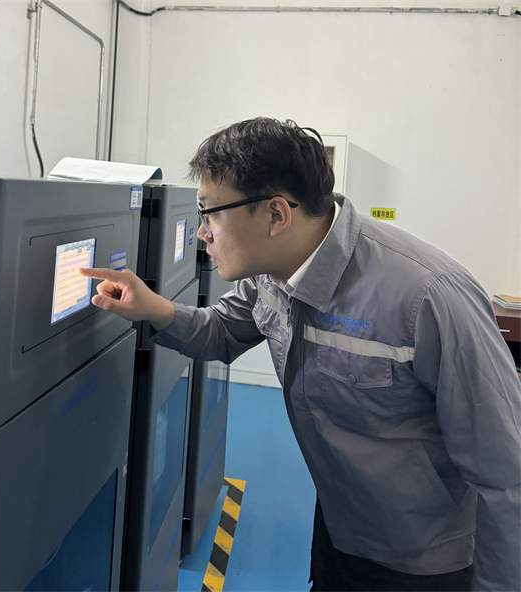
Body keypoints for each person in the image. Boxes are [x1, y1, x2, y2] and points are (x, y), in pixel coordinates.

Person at [79, 117, 521, 591]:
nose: (202, 233)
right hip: (339, 525)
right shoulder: (270, 275)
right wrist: (153, 308)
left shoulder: (427, 298)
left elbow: (506, 474)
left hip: (423, 561)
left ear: (276, 215)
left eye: (210, 214)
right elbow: (222, 332)